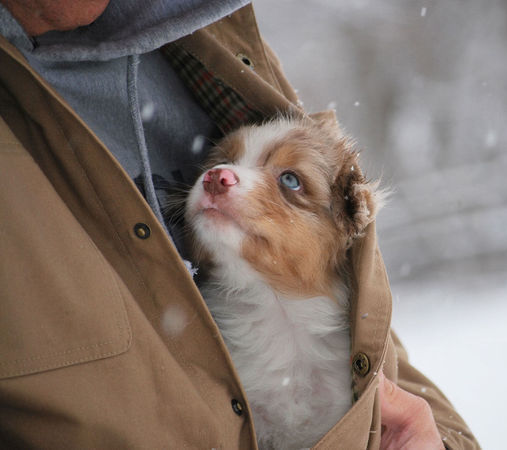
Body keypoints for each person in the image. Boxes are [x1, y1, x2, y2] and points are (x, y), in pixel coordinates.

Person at [0, 1, 480, 448]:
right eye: (223, 161)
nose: (219, 176)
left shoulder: (210, 36)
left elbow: (383, 355)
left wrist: (443, 439)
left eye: (288, 179)